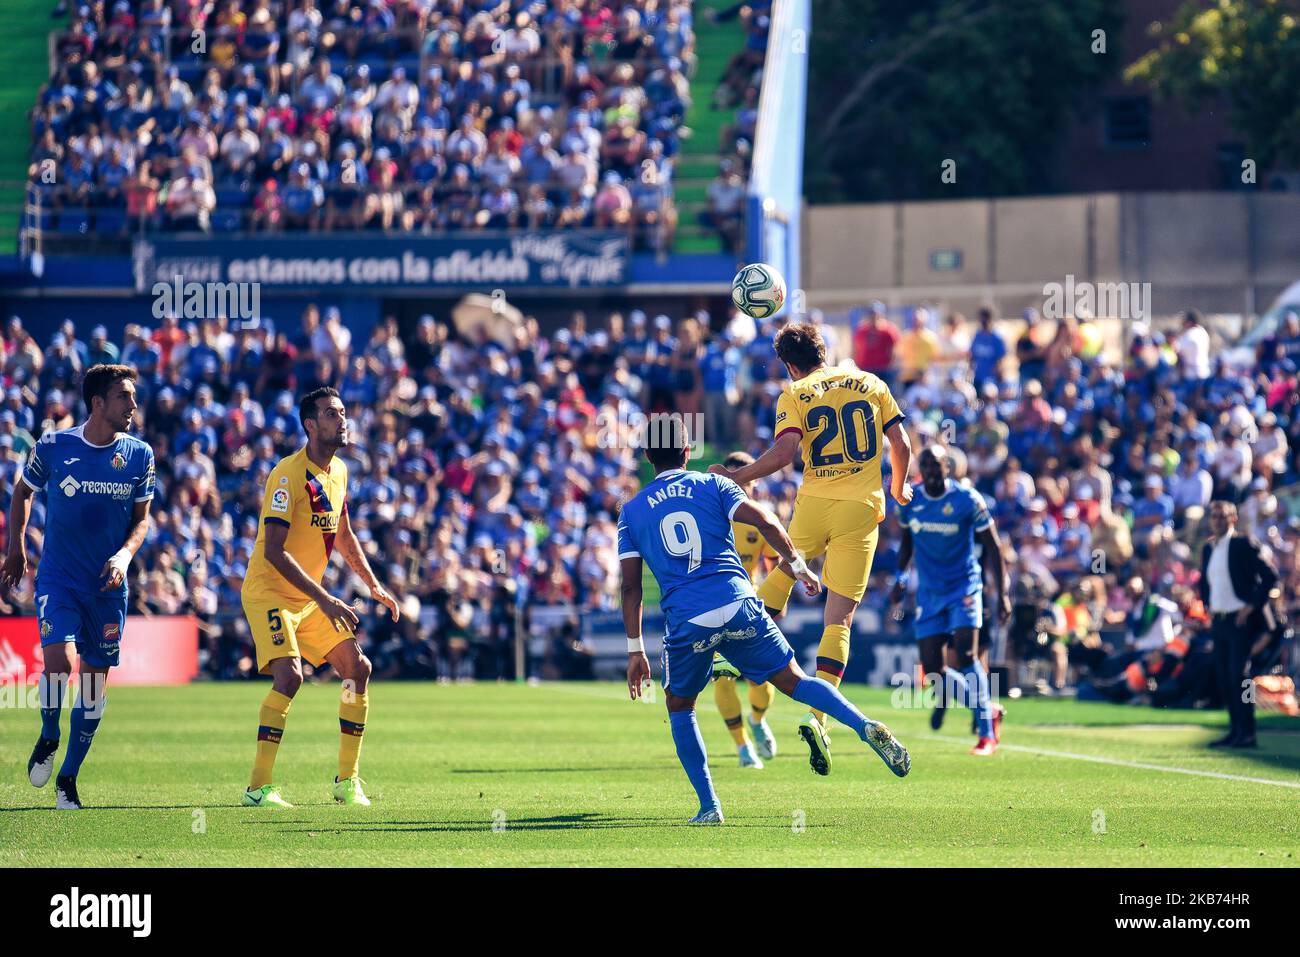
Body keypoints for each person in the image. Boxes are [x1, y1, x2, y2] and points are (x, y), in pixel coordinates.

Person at [620, 416, 910, 824]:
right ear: (689, 454)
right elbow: (768, 521)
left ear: (647, 457)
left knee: (680, 705)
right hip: (739, 602)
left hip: (688, 619)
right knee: (795, 681)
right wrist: (799, 566)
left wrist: (636, 651)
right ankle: (864, 726)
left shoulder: (631, 512)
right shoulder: (715, 483)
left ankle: (710, 806)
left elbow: (631, 589)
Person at [708, 322, 912, 775]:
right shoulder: (872, 382)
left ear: (788, 363)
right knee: (839, 618)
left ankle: (730, 649)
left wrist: (737, 478)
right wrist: (898, 488)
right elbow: (901, 442)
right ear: (825, 349)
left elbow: (784, 457)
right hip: (862, 508)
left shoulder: (795, 394)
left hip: (816, 503)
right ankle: (818, 718)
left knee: (784, 571)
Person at [239, 386, 400, 808]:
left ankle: (347, 781)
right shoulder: (287, 474)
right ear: (310, 425)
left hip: (307, 598)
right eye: (331, 413)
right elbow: (274, 551)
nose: (342, 419)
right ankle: (258, 788)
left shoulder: (340, 472)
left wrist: (372, 583)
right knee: (290, 677)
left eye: (343, 412)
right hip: (270, 592)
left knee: (356, 667)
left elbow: (342, 534)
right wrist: (327, 598)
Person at [4, 365, 155, 810]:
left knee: (92, 689)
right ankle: (49, 732)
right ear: (98, 403)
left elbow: (142, 519)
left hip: (108, 587)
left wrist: (124, 557)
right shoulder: (54, 446)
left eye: (133, 396)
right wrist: (16, 549)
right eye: (124, 397)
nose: (132, 405)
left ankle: (67, 778)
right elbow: (22, 492)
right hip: (59, 578)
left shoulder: (140, 455)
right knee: (59, 662)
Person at [891, 446, 1010, 754]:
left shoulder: (967, 500)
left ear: (949, 468)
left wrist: (1003, 593)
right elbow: (906, 544)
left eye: (937, 464)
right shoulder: (910, 501)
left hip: (964, 589)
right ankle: (988, 709)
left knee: (968, 655)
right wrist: (901, 579)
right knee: (932, 671)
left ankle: (986, 734)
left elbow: (994, 548)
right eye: (925, 464)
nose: (931, 469)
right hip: (930, 594)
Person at [709, 451, 779, 768]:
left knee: (761, 682)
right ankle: (742, 747)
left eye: (745, 478)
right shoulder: (710, 516)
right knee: (723, 678)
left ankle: (756, 719)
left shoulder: (760, 519)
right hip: (710, 607)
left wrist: (779, 596)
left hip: (747, 607)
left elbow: (773, 563)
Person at [1197, 500, 1279, 749]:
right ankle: (1235, 730)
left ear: (1233, 519)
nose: (1218, 520)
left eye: (1223, 516)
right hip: (1220, 620)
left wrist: (1251, 606)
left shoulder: (1243, 543)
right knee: (1223, 676)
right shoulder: (1209, 547)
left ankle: (1248, 731)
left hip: (1239, 620)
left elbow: (1270, 576)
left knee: (1240, 676)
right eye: (1214, 516)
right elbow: (1205, 582)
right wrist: (1208, 607)